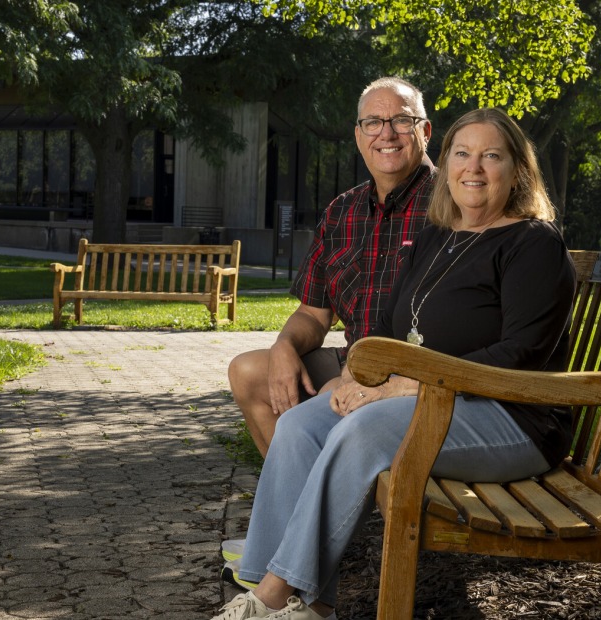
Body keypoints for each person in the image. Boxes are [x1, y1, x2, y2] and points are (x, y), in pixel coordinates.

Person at [210, 107, 577, 620]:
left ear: (517, 169)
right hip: (432, 400)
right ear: (446, 165)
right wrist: (353, 375)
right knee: (300, 424)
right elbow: (386, 328)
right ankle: (309, 607)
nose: (474, 168)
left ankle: (272, 598)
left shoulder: (532, 242)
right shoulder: (437, 237)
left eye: (491, 156)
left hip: (511, 416)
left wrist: (405, 386)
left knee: (367, 428)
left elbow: (521, 354)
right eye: (463, 154)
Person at [227, 76, 435, 459]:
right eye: (373, 122)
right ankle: (301, 496)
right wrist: (284, 346)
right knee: (249, 371)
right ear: (359, 137)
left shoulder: (451, 205)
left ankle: (311, 507)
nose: (386, 134)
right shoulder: (343, 211)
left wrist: (352, 381)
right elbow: (313, 312)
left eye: (401, 121)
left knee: (327, 398)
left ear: (424, 130)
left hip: (414, 375)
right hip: (353, 359)